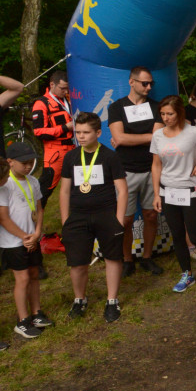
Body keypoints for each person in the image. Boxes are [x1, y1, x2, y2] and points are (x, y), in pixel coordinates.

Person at [60, 112, 128, 322]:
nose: (80, 136)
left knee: (112, 257)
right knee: (78, 263)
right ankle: (79, 299)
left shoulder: (110, 156)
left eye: (86, 132)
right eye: (78, 132)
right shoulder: (71, 157)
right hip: (78, 217)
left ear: (98, 132)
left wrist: (118, 219)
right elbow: (64, 191)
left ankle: (112, 301)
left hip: (106, 214)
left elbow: (122, 190)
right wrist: (66, 221)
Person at [150, 95, 196, 293]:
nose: (166, 118)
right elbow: (156, 165)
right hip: (167, 191)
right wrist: (156, 194)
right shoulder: (158, 135)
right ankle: (186, 274)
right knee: (177, 235)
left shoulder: (194, 133)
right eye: (162, 114)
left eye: (170, 113)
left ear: (180, 113)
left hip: (190, 191)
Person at [107, 66, 163, 277]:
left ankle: (147, 257)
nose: (148, 87)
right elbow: (119, 138)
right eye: (144, 83)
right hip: (126, 171)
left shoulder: (157, 107)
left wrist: (129, 138)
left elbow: (157, 137)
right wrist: (150, 136)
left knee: (150, 215)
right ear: (131, 82)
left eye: (151, 84)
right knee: (126, 219)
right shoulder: (117, 107)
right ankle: (127, 259)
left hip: (152, 169)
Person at [0, 146, 51, 338]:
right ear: (10, 162)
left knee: (34, 274)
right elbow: (4, 218)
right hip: (13, 242)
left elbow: (39, 208)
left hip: (32, 238)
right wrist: (24, 237)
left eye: (31, 162)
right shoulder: (5, 184)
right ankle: (23, 320)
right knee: (22, 279)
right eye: (24, 163)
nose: (29, 166)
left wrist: (37, 233)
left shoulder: (33, 181)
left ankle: (36, 312)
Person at [31, 71, 73, 207]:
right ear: (52, 84)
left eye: (67, 88)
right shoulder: (41, 103)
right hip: (55, 152)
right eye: (62, 88)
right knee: (44, 191)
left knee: (78, 189)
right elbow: (39, 132)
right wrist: (65, 127)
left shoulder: (69, 98)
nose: (65, 91)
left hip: (73, 149)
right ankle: (34, 225)